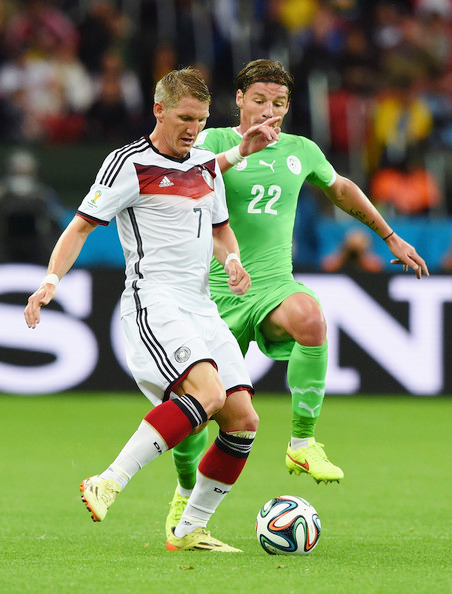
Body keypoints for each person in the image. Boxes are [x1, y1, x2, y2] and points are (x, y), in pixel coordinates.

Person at [165, 59, 429, 538]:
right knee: (200, 413)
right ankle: (184, 492)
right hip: (211, 293)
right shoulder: (214, 142)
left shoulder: (300, 150)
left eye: (280, 103)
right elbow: (182, 179)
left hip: (270, 284)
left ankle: (302, 442)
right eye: (260, 100)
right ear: (240, 100)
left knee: (310, 317)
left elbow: (341, 189)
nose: (270, 110)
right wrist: (239, 154)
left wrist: (390, 236)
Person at [24, 67, 280, 552]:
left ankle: (190, 529)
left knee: (243, 419)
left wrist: (232, 260)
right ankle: (108, 481)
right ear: (159, 110)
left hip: (201, 305)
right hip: (154, 299)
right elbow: (80, 226)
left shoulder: (205, 165)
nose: (193, 129)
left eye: (201, 120)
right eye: (185, 117)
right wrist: (50, 281)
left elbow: (221, 228)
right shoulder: (126, 164)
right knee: (206, 395)